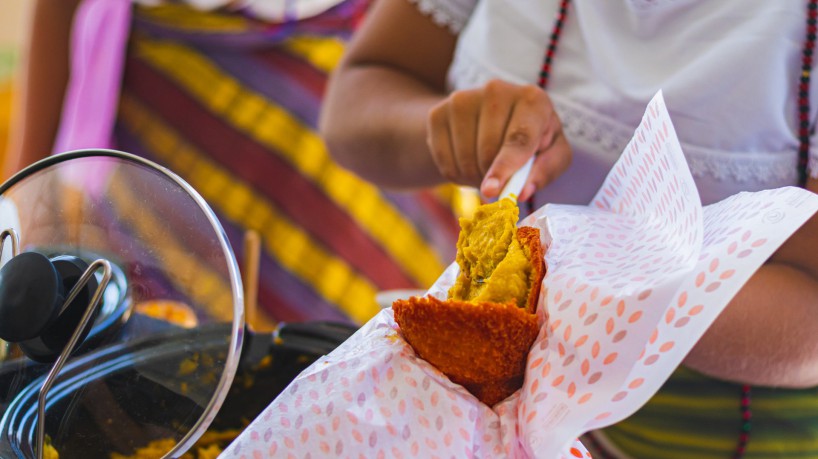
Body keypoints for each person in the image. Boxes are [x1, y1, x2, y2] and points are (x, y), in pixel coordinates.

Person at [319, 0, 818, 457]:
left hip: (728, 432)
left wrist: (574, 287)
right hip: (475, 415)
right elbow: (364, 86)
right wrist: (452, 134)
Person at [4, 0, 471, 329]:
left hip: (362, 109)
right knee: (157, 374)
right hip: (165, 106)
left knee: (343, 382)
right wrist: (25, 199)